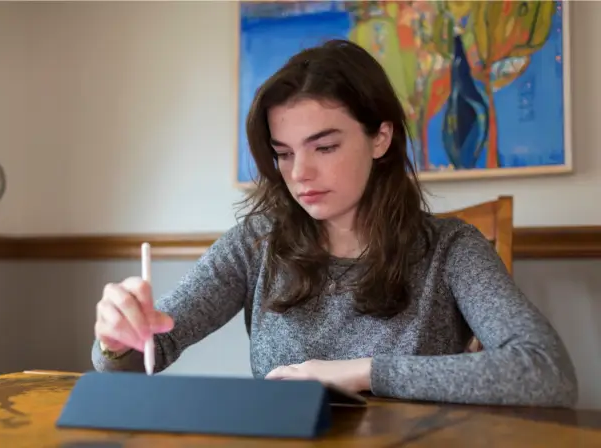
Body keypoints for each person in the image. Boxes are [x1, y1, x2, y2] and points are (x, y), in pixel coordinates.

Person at [90, 39, 578, 408]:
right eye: (284, 153)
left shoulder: (452, 250)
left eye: (325, 147)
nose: (299, 174)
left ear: (380, 137)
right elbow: (139, 363)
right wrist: (117, 341)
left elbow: (547, 372)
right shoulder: (255, 245)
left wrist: (360, 372)